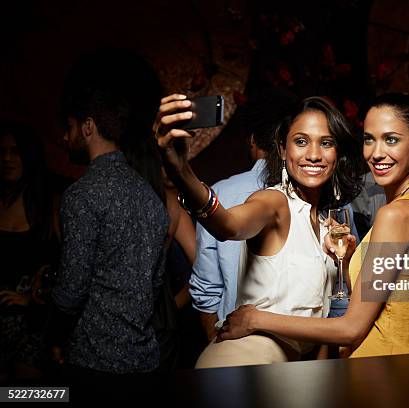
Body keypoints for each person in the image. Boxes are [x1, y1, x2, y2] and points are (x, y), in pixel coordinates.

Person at [217, 93, 409, 358]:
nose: (377, 153)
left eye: (391, 139)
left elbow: (352, 328)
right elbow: (398, 302)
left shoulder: (395, 215)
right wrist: (347, 263)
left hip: (379, 367)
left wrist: (254, 319)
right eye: (369, 139)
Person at [156, 95, 363, 367]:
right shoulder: (274, 202)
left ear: (338, 152)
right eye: (301, 141)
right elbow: (228, 224)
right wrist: (181, 170)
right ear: (281, 148)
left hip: (287, 371)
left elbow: (322, 321)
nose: (314, 154)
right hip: (242, 363)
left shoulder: (324, 223)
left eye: (326, 143)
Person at [49, 81, 169, 393]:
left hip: (94, 361)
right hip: (145, 361)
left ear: (88, 127)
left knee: (17, 397)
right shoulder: (150, 196)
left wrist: (48, 326)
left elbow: (72, 289)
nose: (65, 137)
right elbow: (155, 281)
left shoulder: (82, 194)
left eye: (71, 127)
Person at [190, 90, 297, 341]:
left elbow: (205, 288)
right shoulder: (319, 197)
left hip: (236, 342)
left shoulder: (221, 193)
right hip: (290, 347)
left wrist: (215, 343)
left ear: (252, 141)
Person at [0, 123, 60, 381]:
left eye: (15, 152)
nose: (6, 159)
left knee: (30, 398)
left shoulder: (48, 203)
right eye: (1, 152)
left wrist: (33, 300)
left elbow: (66, 266)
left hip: (32, 325)